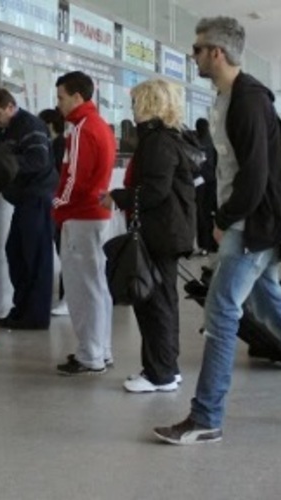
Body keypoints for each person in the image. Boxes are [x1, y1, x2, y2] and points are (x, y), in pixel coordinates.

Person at [153, 17, 281, 445]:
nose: (194, 56)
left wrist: (225, 220)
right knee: (271, 307)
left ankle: (206, 416)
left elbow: (256, 175)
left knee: (222, 311)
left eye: (198, 49)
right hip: (254, 222)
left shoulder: (247, 99)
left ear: (217, 53)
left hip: (253, 225)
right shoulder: (230, 96)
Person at [100, 79, 196, 392]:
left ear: (148, 104)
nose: (131, 109)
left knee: (153, 302)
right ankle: (166, 367)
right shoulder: (171, 138)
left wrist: (119, 196)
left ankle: (160, 374)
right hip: (170, 230)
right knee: (162, 300)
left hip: (160, 231)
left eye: (135, 102)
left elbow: (155, 190)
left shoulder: (157, 142)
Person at [53, 71, 116, 375]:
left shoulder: (80, 129)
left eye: (62, 97)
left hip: (80, 215)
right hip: (97, 215)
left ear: (78, 97)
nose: (59, 104)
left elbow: (74, 178)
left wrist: (58, 203)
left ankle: (89, 354)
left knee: (82, 288)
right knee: (98, 286)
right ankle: (100, 350)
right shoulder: (101, 126)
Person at [0, 88, 58, 330]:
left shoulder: (30, 126)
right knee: (16, 253)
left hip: (37, 198)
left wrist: (5, 163)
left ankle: (35, 316)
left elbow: (38, 160)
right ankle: (22, 308)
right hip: (22, 200)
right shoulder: (5, 130)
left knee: (35, 258)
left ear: (9, 106)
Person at [38, 108, 69, 316]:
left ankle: (67, 298)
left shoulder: (58, 145)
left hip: (60, 203)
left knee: (64, 249)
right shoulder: (59, 144)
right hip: (59, 203)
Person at [194, 117, 218, 255]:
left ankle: (204, 245)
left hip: (199, 183)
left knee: (201, 214)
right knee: (211, 213)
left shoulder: (197, 143)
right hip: (213, 182)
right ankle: (214, 244)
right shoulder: (213, 142)